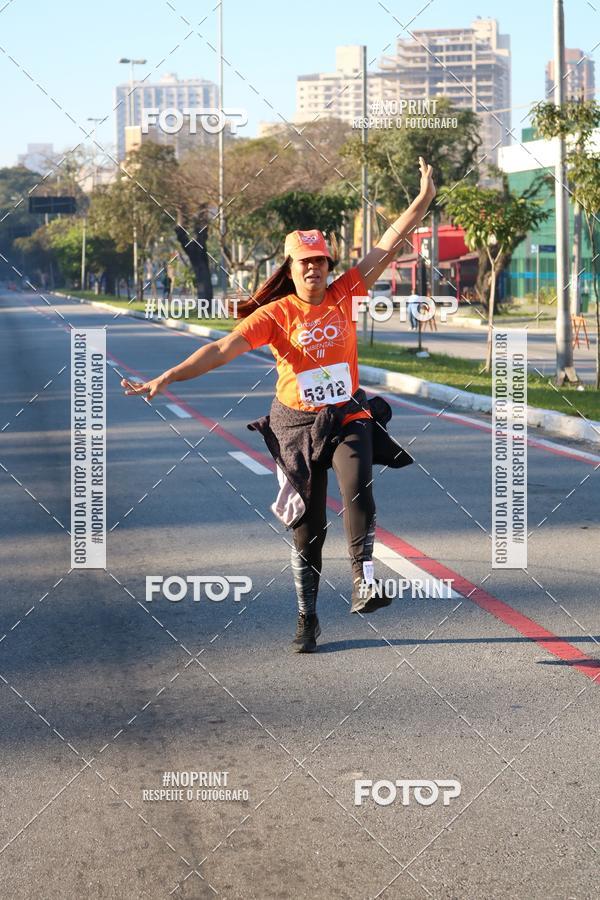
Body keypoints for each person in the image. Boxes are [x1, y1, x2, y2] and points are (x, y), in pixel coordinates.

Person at [122, 157, 436, 653]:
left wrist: (421, 200)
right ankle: (307, 616)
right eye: (304, 262)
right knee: (308, 527)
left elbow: (388, 242)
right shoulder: (276, 314)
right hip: (295, 424)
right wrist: (167, 377)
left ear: (329, 266)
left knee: (358, 482)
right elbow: (220, 350)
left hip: (346, 413)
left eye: (320, 261)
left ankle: (363, 581)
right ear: (290, 269)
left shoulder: (347, 291)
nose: (314, 268)